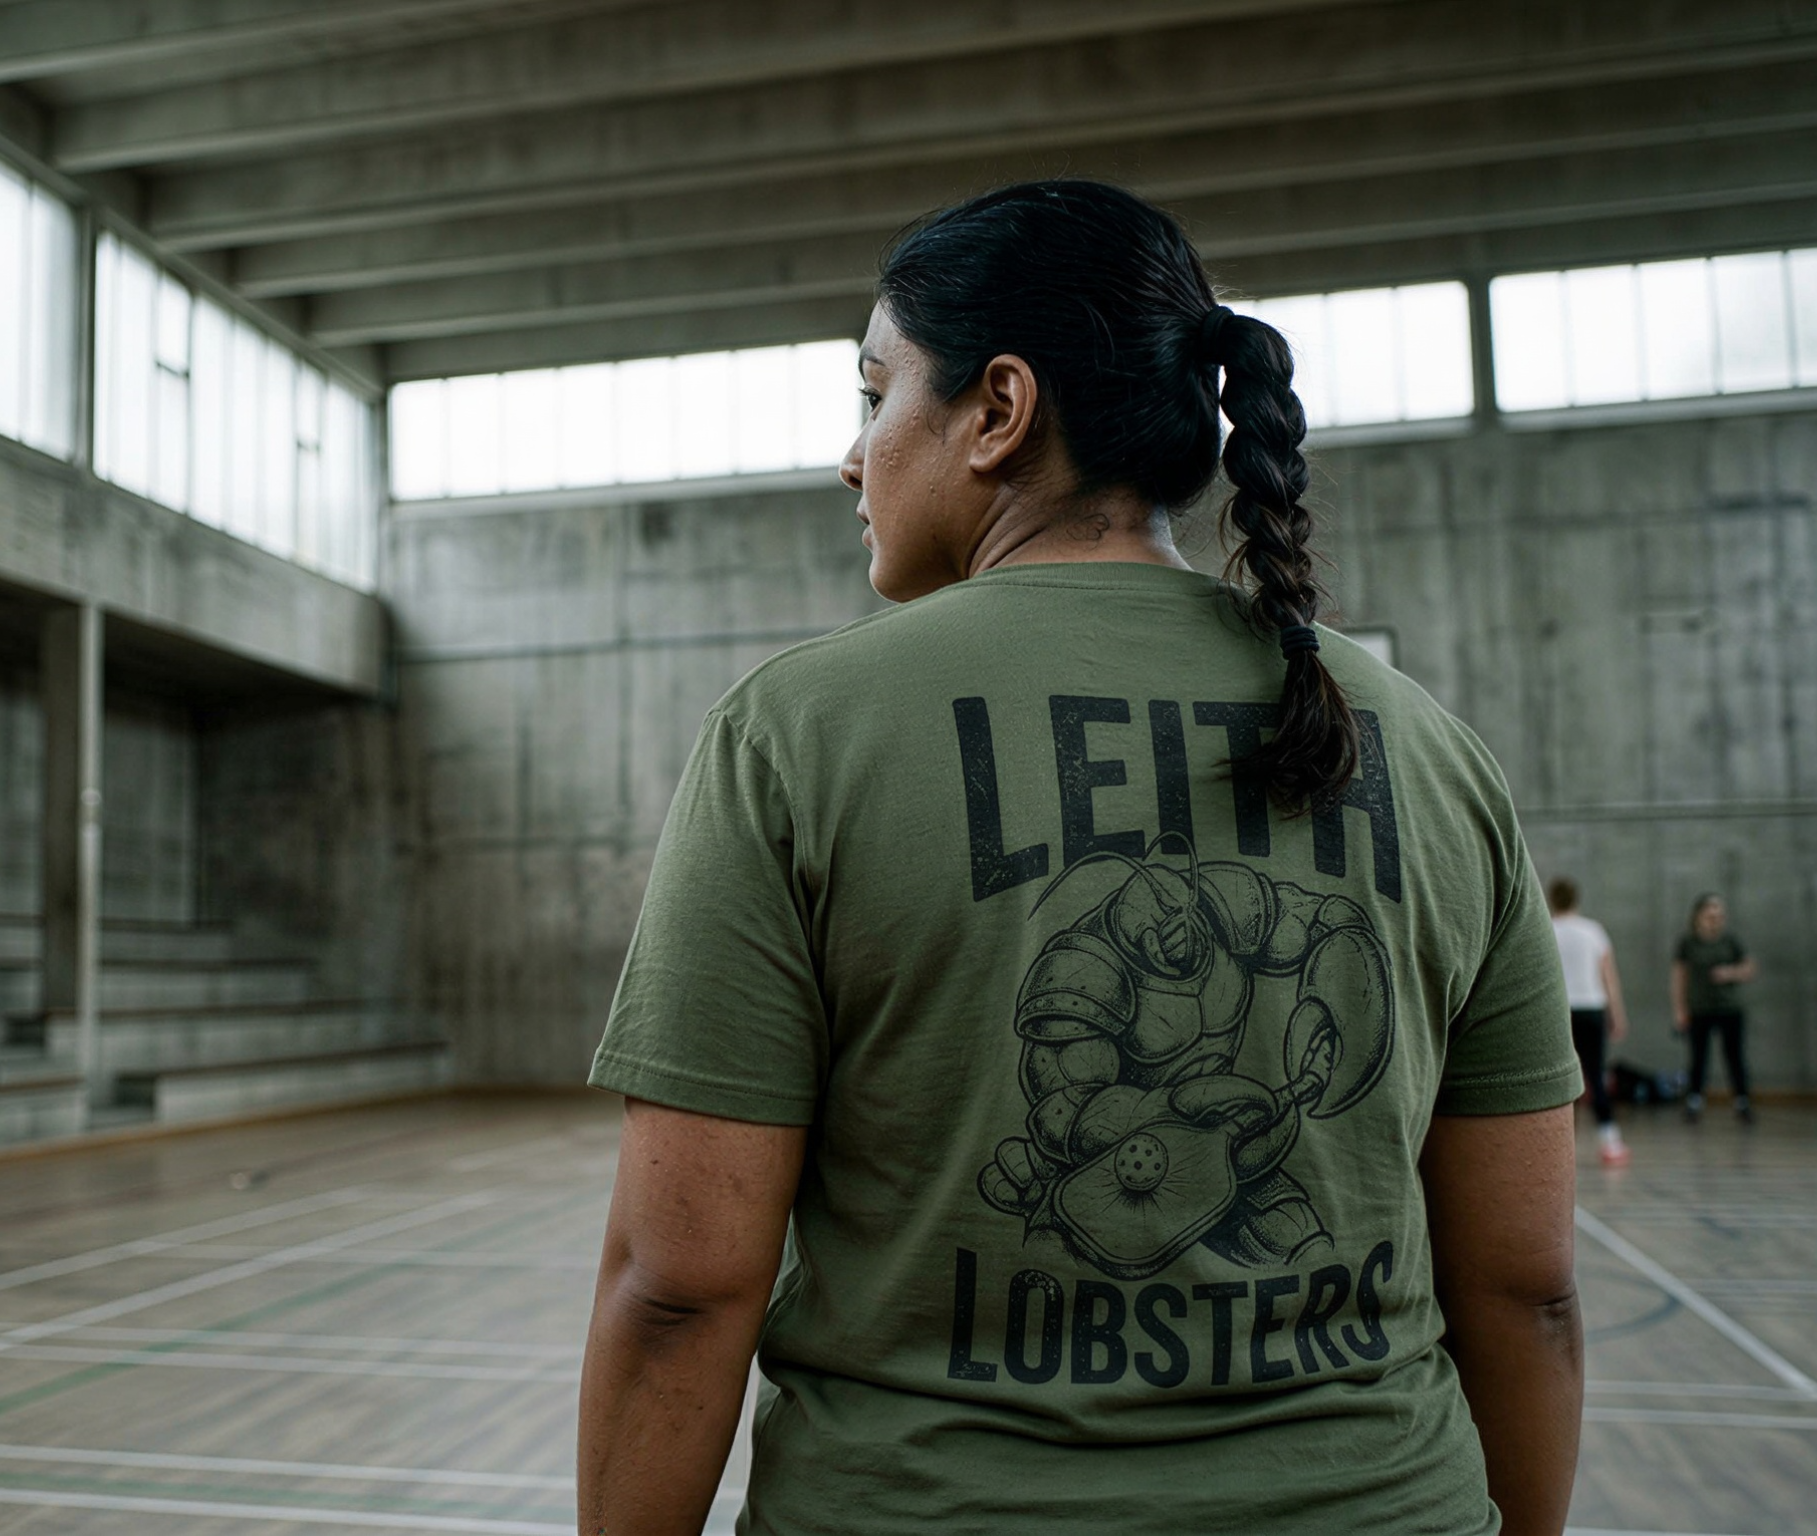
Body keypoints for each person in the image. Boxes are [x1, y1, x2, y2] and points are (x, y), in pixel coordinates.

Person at [579, 180, 1583, 1536]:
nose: (850, 454)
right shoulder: (1433, 750)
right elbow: (1528, 1289)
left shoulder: (798, 735)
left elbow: (682, 1288)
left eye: (875, 396)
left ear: (999, 409)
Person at [1547, 878, 1629, 1167]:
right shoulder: (1593, 931)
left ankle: (1560, 1144)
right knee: (1596, 1074)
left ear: (1551, 900)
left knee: (1560, 1078)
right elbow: (1609, 976)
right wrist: (1616, 1014)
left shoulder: (1547, 930)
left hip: (1560, 1011)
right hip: (1593, 1009)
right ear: (1576, 899)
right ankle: (1611, 1141)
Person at [1669, 895, 1755, 1122]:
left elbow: (1749, 967)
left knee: (1735, 1056)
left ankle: (1742, 1101)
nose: (1715, 920)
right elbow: (1679, 976)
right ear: (1698, 917)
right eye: (1711, 915)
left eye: (1719, 916)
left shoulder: (1730, 941)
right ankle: (1695, 1101)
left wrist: (1730, 973)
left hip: (1729, 1009)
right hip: (1699, 1009)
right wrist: (1679, 1008)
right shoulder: (1688, 943)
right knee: (1698, 1058)